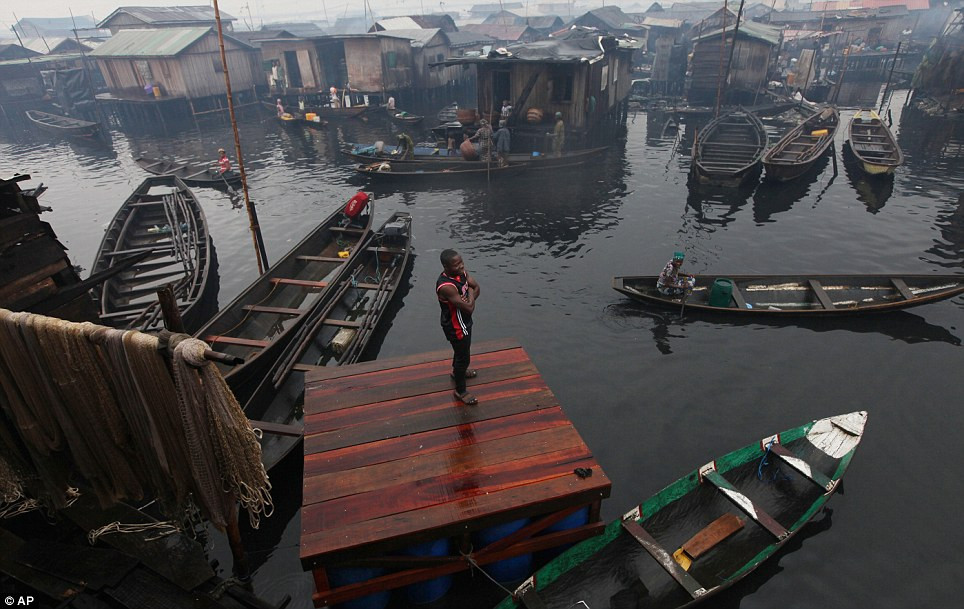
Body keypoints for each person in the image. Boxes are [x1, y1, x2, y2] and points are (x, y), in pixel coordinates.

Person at [437, 249, 481, 406]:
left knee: (461, 352)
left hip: (465, 322)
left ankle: (457, 373)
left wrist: (469, 296)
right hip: (455, 326)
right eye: (456, 265)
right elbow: (469, 308)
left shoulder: (462, 273)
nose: (461, 266)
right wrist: (469, 293)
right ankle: (460, 391)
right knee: (464, 357)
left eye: (461, 262)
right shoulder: (446, 286)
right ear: (446, 267)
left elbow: (477, 288)